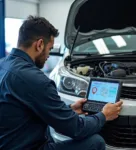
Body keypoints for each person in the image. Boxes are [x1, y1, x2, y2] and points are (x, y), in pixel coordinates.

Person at [0, 16, 123, 150]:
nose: (48, 55)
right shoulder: (36, 80)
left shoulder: (3, 64)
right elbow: (77, 130)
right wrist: (104, 115)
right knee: (95, 141)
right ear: (40, 44)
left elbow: (29, 109)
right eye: (50, 48)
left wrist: (70, 110)